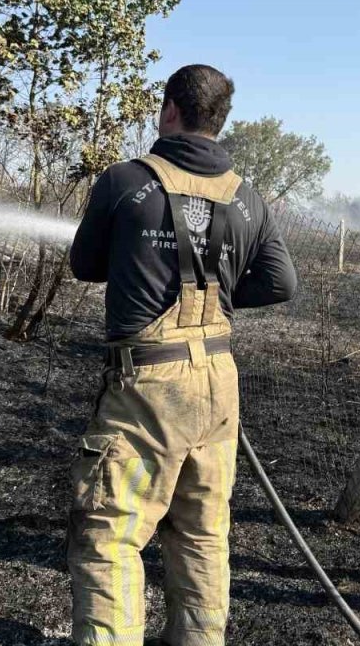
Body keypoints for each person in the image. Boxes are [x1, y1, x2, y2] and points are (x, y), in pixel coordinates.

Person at [66, 64, 297, 646]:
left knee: (111, 535)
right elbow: (280, 283)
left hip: (149, 387)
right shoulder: (248, 199)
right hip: (219, 383)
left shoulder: (124, 181)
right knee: (202, 533)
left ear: (170, 109)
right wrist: (214, 291)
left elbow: (84, 266)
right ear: (220, 120)